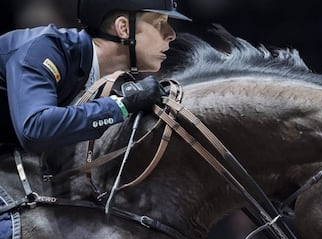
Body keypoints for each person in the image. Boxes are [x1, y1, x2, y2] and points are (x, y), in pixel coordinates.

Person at [0, 0, 191, 153]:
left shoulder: (110, 80)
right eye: (160, 23)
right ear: (124, 28)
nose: (171, 34)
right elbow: (35, 130)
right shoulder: (42, 49)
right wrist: (122, 105)